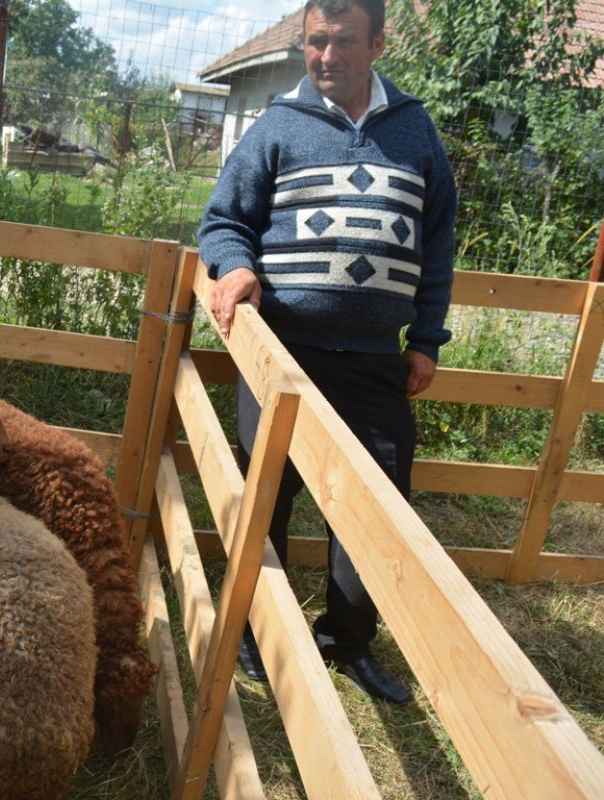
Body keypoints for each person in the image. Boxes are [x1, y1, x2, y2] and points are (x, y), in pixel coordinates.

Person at [197, 0, 456, 704]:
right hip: (283, 353)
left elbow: (437, 244)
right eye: (316, 41)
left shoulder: (415, 131)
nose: (327, 56)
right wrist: (235, 267)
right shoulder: (279, 125)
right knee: (267, 496)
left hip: (375, 359)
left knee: (376, 506)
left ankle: (347, 640)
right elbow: (223, 221)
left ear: (377, 43)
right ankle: (254, 629)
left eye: (344, 41)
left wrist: (426, 340)